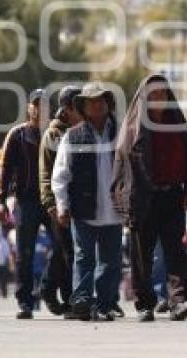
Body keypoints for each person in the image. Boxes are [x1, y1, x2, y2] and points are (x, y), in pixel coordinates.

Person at [111, 75, 187, 322]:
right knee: (141, 255)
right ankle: (144, 304)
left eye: (162, 94)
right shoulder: (132, 130)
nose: (159, 99)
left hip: (172, 197)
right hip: (142, 199)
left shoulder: (177, 125)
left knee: (175, 252)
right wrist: (125, 203)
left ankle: (178, 302)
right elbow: (121, 169)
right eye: (153, 94)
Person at [52, 82, 122, 322]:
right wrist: (61, 206)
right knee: (84, 257)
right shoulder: (73, 136)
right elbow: (60, 175)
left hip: (115, 209)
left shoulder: (122, 134)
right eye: (91, 101)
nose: (97, 104)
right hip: (83, 208)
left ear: (108, 104)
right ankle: (81, 300)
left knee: (111, 260)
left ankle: (105, 303)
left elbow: (133, 171)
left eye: (101, 100)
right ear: (83, 106)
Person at [0, 89, 47, 320]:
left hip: (53, 199)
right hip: (26, 200)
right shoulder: (17, 135)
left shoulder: (57, 133)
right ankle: (24, 301)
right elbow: (4, 168)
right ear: (29, 108)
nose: (39, 109)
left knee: (66, 246)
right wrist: (0, 200)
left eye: (44, 105)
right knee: (24, 253)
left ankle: (55, 292)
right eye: (35, 105)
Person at [39, 85, 83, 316]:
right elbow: (48, 173)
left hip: (81, 203)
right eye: (77, 105)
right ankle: (66, 298)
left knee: (67, 250)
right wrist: (51, 203)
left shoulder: (85, 130)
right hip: (59, 202)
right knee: (69, 253)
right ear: (66, 109)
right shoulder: (55, 134)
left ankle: (50, 290)